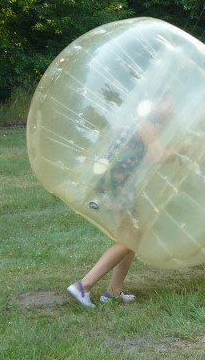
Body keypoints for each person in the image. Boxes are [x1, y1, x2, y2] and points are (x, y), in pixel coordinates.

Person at [67, 95, 177, 307]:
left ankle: (113, 292)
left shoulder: (138, 122)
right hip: (119, 187)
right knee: (129, 240)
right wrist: (180, 148)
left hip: (117, 184)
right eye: (169, 105)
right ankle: (83, 286)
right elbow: (158, 156)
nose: (171, 112)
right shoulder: (146, 125)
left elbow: (143, 160)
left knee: (133, 236)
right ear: (155, 102)